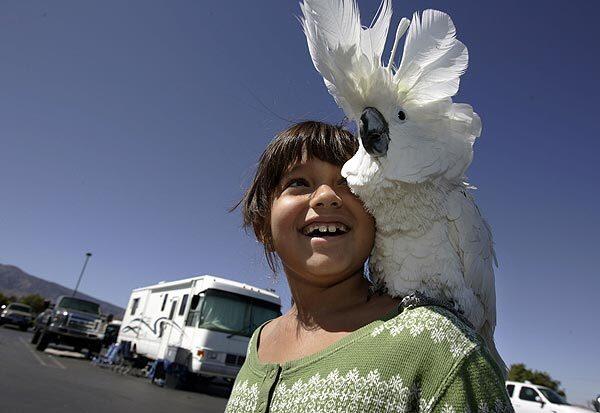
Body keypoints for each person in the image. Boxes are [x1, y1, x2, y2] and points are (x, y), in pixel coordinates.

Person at [225, 121, 513, 413]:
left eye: (348, 182)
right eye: (298, 183)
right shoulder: (257, 343)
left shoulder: (441, 345)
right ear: (263, 226)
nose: (327, 196)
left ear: (378, 216)